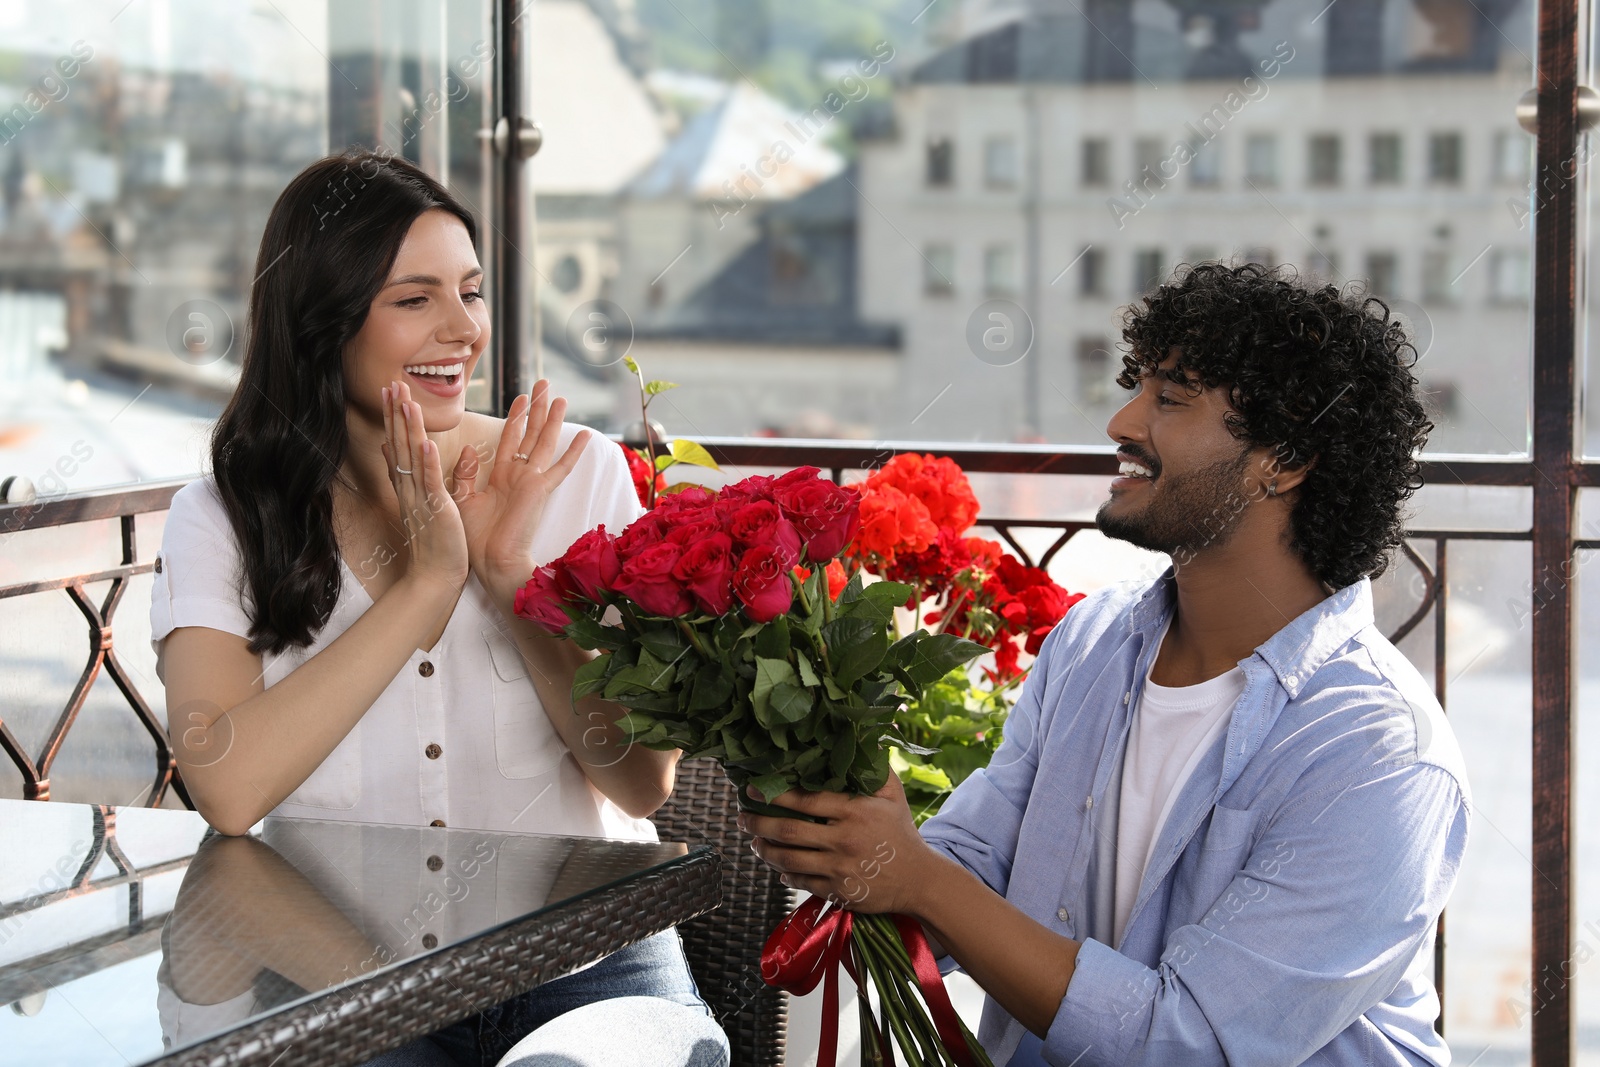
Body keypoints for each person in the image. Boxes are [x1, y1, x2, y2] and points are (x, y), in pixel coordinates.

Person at [742, 262, 1470, 1066]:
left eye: (1171, 398)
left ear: (1285, 459)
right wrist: (839, 832)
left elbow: (1187, 1043)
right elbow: (975, 862)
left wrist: (916, 878)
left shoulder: (1380, 755)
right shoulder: (1095, 643)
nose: (1123, 421)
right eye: (1139, 388)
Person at [151, 149, 727, 1067]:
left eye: (471, 291)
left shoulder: (579, 476)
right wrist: (423, 587)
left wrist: (508, 581)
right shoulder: (221, 513)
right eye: (413, 299)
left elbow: (639, 782)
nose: (462, 330)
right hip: (338, 964)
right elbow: (226, 787)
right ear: (321, 323)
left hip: (584, 960)